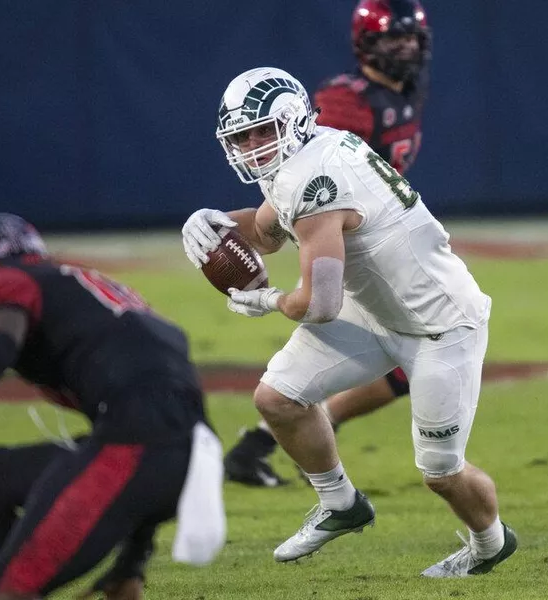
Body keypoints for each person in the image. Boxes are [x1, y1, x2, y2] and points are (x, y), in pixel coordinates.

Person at [181, 65, 516, 577]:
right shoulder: (309, 152)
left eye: (259, 132)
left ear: (292, 121)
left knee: (441, 472)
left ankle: (490, 543)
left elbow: (320, 305)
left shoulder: (316, 179)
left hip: (441, 325)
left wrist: (266, 300)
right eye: (240, 136)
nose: (250, 146)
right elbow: (268, 231)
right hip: (376, 310)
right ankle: (340, 503)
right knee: (277, 398)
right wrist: (217, 222)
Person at [223, 0, 431, 488]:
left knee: (413, 350)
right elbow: (306, 176)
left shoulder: (404, 91)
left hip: (372, 240)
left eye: (409, 37)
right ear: (366, 43)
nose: (403, 46)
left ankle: (264, 444)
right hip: (334, 237)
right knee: (413, 347)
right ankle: (285, 440)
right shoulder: (346, 100)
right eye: (391, 37)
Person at [0, 213, 225, 599]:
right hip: (189, 451)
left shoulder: (5, 280)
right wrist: (131, 559)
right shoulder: (90, 290)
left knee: (8, 592)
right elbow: (162, 418)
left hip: (138, 449)